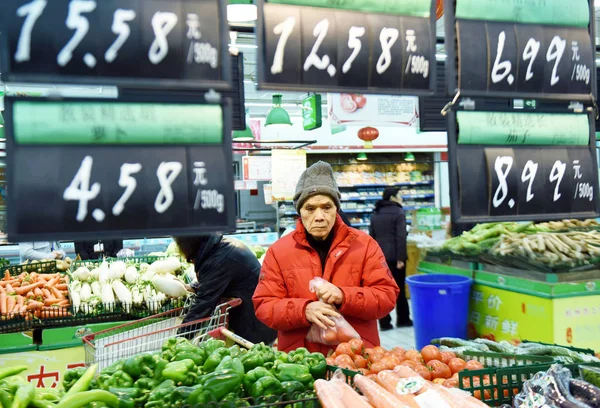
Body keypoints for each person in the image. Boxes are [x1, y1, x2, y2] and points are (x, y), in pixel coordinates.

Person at [253, 161, 399, 353]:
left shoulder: (365, 245)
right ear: (300, 211)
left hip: (356, 356)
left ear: (336, 209)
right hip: (300, 360)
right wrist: (303, 310)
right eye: (310, 208)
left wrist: (345, 296)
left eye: (327, 207)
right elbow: (265, 305)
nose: (319, 216)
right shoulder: (279, 252)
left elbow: (386, 295)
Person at [174, 234, 276, 345]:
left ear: (189, 245)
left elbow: (203, 304)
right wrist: (192, 287)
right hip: (256, 318)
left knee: (253, 359)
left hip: (254, 325)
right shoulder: (218, 247)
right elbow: (213, 281)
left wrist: (179, 338)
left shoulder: (219, 257)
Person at [369, 186, 412, 330]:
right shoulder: (399, 212)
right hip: (395, 258)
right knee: (398, 289)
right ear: (393, 197)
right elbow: (401, 237)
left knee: (381, 290)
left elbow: (372, 238)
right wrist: (401, 258)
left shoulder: (375, 213)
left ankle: (384, 322)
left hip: (379, 258)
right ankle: (403, 319)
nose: (401, 198)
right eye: (399, 195)